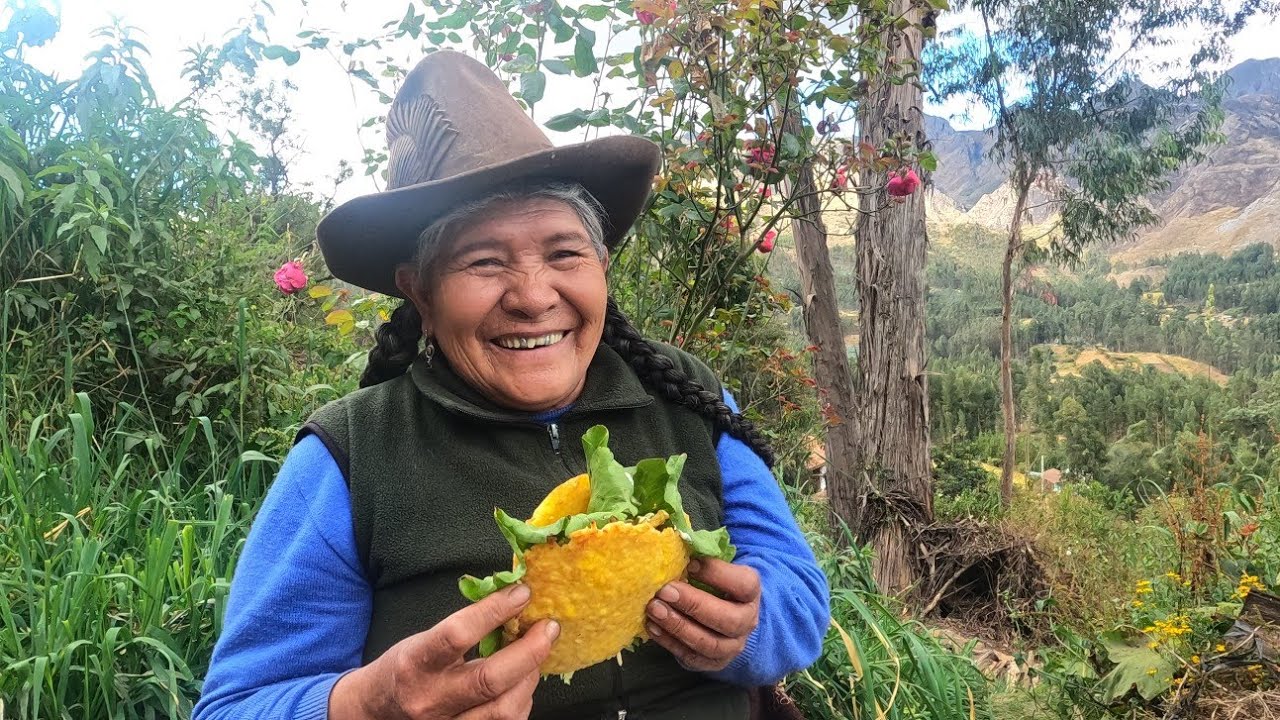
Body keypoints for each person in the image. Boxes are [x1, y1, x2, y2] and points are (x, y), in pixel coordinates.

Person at [193, 50, 828, 720]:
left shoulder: (685, 399)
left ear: (602, 267)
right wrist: (370, 705)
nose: (532, 297)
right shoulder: (352, 456)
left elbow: (798, 598)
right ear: (421, 291)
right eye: (484, 260)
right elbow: (237, 704)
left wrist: (749, 627)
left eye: (563, 253)